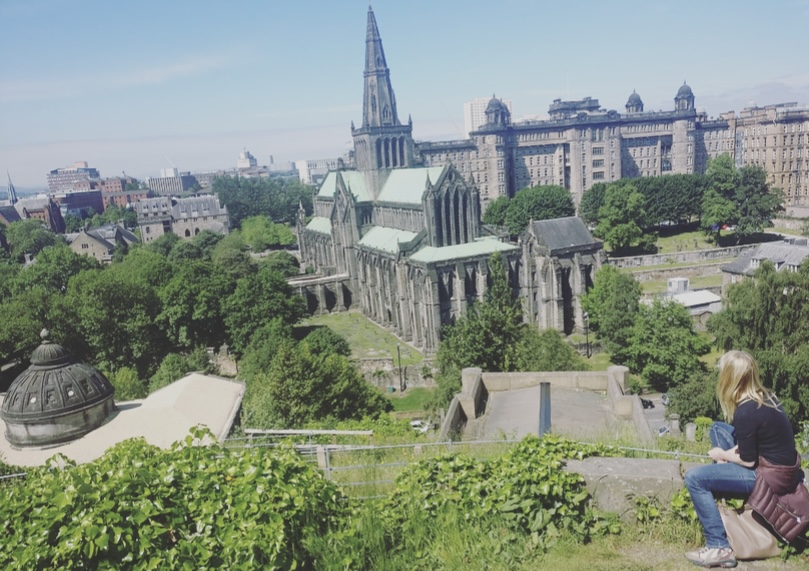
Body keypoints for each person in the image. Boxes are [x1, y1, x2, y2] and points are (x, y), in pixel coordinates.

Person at [683, 350, 799, 568]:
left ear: (729, 377)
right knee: (717, 428)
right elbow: (756, 441)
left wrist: (722, 455)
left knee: (695, 479)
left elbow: (748, 460)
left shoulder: (746, 412)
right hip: (779, 468)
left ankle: (719, 547)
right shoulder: (767, 397)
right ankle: (724, 475)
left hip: (767, 478)